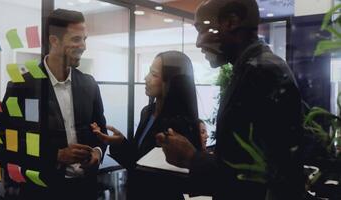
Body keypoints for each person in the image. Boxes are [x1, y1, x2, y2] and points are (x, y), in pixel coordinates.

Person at [156, 0, 304, 200]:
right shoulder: (252, 69)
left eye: (202, 30)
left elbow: (261, 176)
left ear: (231, 22)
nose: (198, 42)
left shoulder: (261, 72)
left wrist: (192, 158)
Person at [0, 9, 107, 200]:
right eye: (76, 39)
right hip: (41, 191)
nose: (83, 46)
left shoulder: (89, 84)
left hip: (85, 190)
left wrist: (97, 151)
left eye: (85, 39)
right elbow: (8, 142)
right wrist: (56, 155)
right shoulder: (22, 86)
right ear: (54, 41)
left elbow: (101, 130)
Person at [92, 51, 202, 200]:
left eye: (154, 74)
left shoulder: (180, 124)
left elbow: (179, 177)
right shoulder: (147, 112)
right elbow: (137, 160)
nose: (146, 78)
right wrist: (120, 143)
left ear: (171, 81)